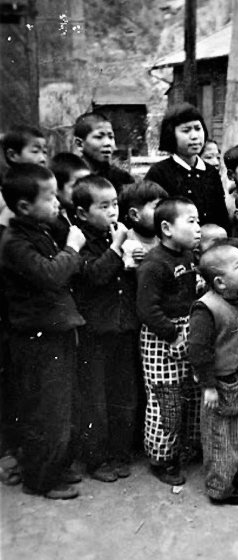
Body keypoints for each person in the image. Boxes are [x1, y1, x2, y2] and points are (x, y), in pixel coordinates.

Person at [0, 163, 86, 499]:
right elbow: (51, 275)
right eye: (50, 198)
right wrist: (74, 248)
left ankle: (58, 466)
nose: (58, 205)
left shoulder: (41, 230)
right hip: (36, 338)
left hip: (56, 332)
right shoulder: (13, 242)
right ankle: (41, 479)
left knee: (61, 408)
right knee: (44, 411)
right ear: (23, 207)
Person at [189, 244, 238, 505]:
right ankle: (220, 487)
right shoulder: (206, 308)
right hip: (224, 382)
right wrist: (208, 386)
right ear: (220, 283)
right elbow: (198, 351)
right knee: (225, 435)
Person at [72, 175, 139, 482]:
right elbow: (94, 275)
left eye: (115, 205)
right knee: (95, 399)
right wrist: (116, 248)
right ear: (83, 213)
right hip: (95, 332)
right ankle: (96, 459)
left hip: (123, 328)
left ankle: (119, 452)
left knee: (123, 393)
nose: (113, 212)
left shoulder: (117, 236)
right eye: (104, 206)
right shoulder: (80, 240)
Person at [137, 197, 203, 486]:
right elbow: (147, 309)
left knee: (190, 392)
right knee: (167, 398)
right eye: (191, 221)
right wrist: (172, 334)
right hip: (161, 337)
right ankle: (161, 458)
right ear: (166, 228)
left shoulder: (188, 256)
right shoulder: (154, 263)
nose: (198, 228)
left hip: (186, 330)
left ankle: (184, 449)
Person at [145, 103, 229, 231]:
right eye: (186, 130)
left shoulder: (210, 172)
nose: (194, 136)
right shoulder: (159, 172)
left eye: (198, 128)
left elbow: (221, 216)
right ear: (171, 135)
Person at [0, 125, 48, 233]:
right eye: (35, 151)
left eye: (45, 152)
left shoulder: (43, 184)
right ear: (13, 155)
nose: (43, 159)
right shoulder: (7, 193)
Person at [73, 112, 134, 193]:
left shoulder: (123, 178)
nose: (107, 143)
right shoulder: (71, 178)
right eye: (99, 137)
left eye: (111, 137)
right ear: (80, 144)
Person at [48, 152, 90, 248]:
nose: (83, 191)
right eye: (76, 186)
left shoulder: (83, 213)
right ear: (57, 188)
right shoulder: (52, 223)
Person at [119, 180, 168, 257]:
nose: (163, 212)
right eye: (156, 207)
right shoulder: (123, 242)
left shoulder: (167, 238)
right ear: (134, 215)